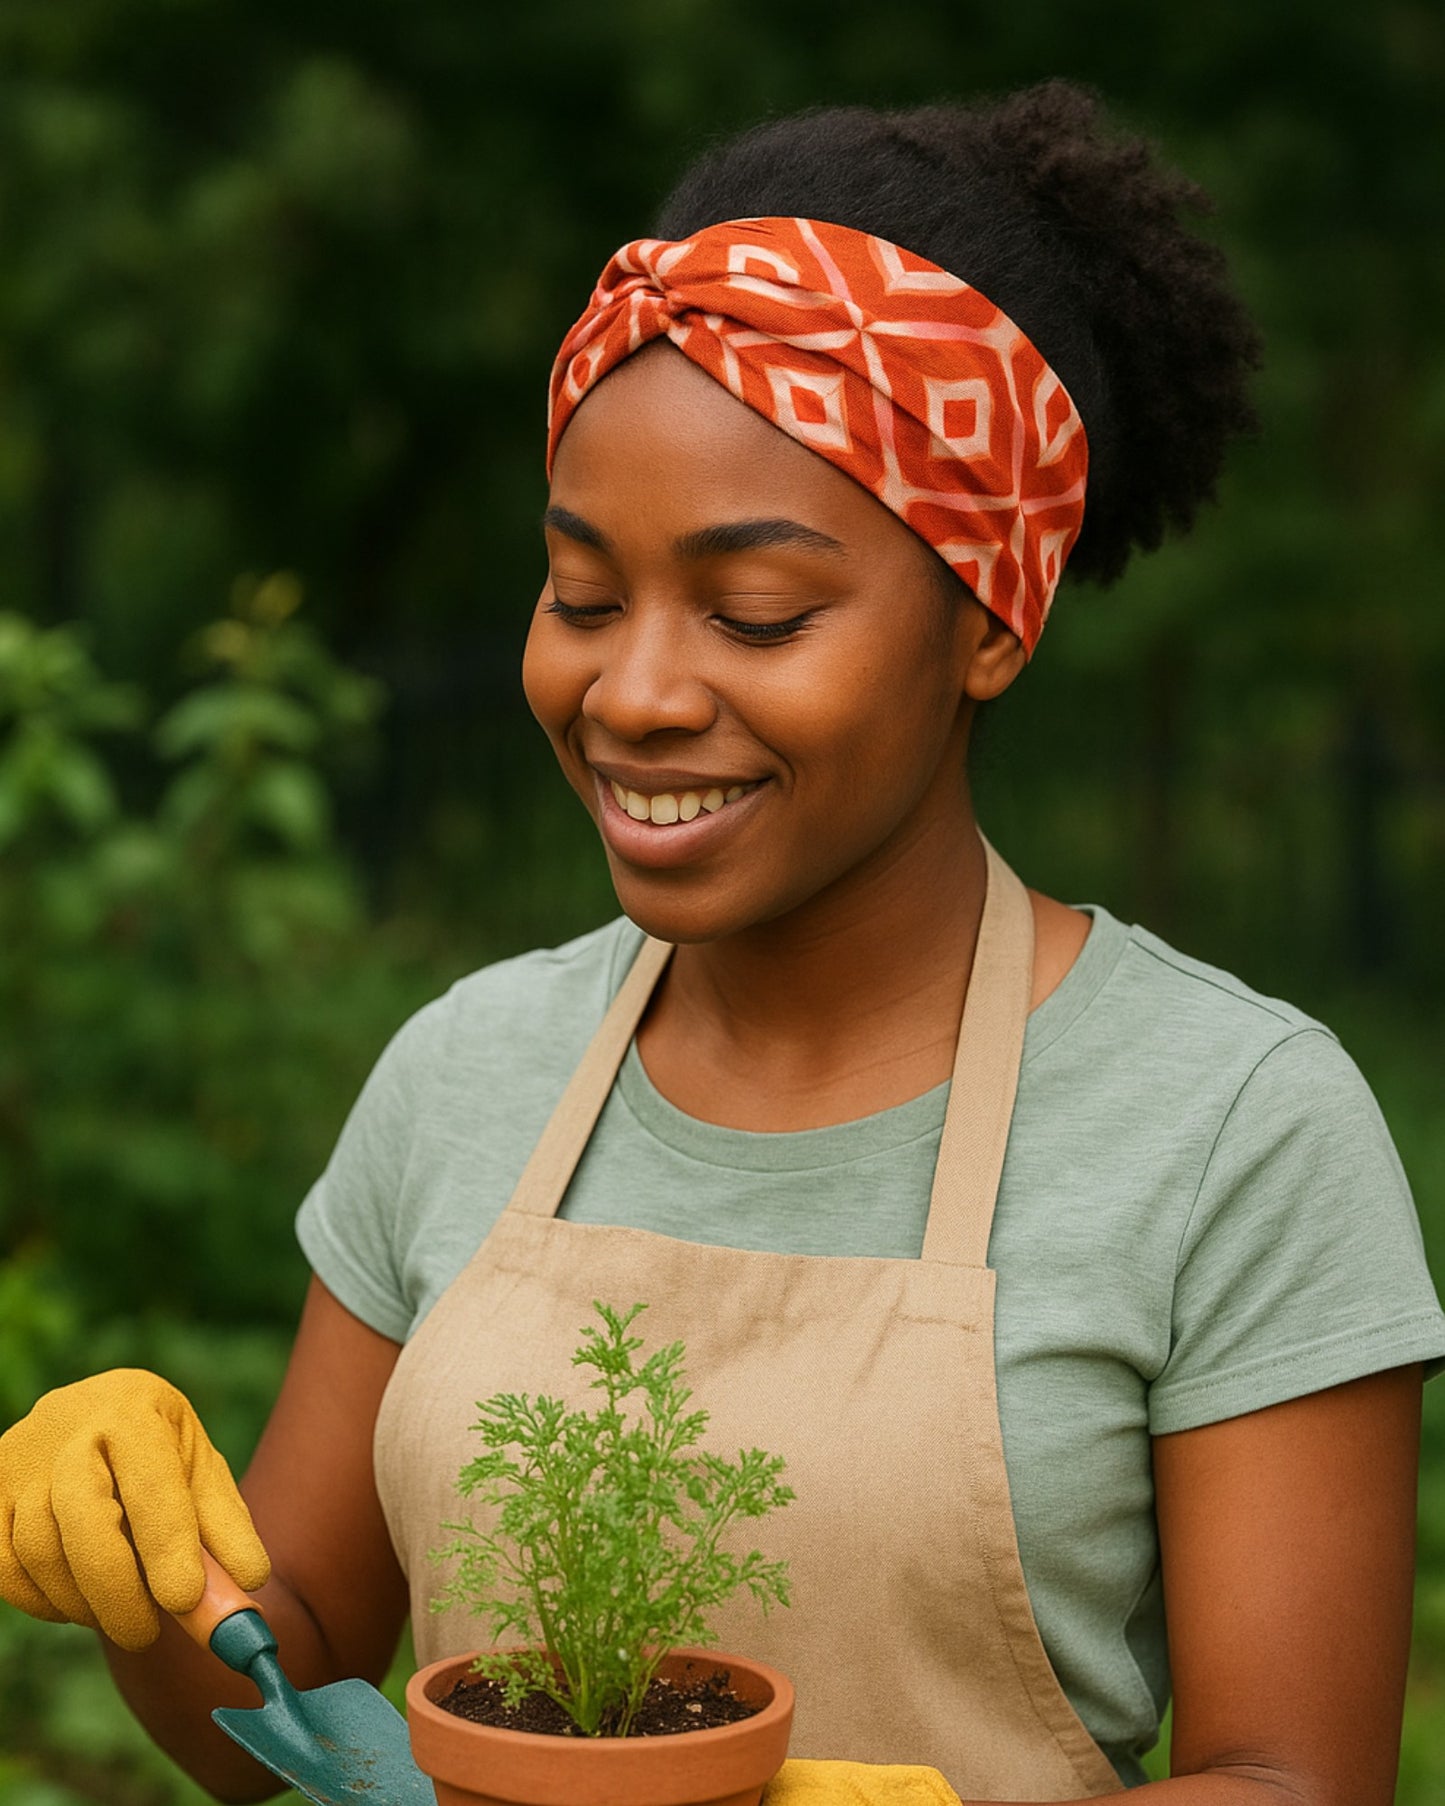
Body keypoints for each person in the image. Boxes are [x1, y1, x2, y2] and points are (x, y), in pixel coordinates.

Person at [2, 81, 1443, 1806]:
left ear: (990, 618)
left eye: (756, 611)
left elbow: (1296, 1777)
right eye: (583, 595)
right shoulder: (467, 1070)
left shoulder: (1230, 1126)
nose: (637, 693)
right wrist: (142, 1568)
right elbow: (292, 1691)